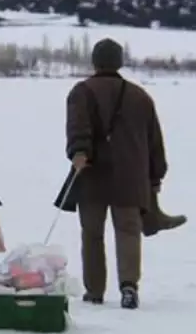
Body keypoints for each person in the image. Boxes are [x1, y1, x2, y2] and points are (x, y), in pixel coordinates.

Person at [66, 38, 169, 309]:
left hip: (92, 175)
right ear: (119, 61)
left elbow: (78, 129)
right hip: (131, 177)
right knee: (128, 232)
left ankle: (95, 291)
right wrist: (155, 177)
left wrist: (79, 153)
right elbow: (154, 141)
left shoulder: (82, 92)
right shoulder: (140, 96)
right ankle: (129, 287)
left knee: (92, 234)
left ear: (95, 61)